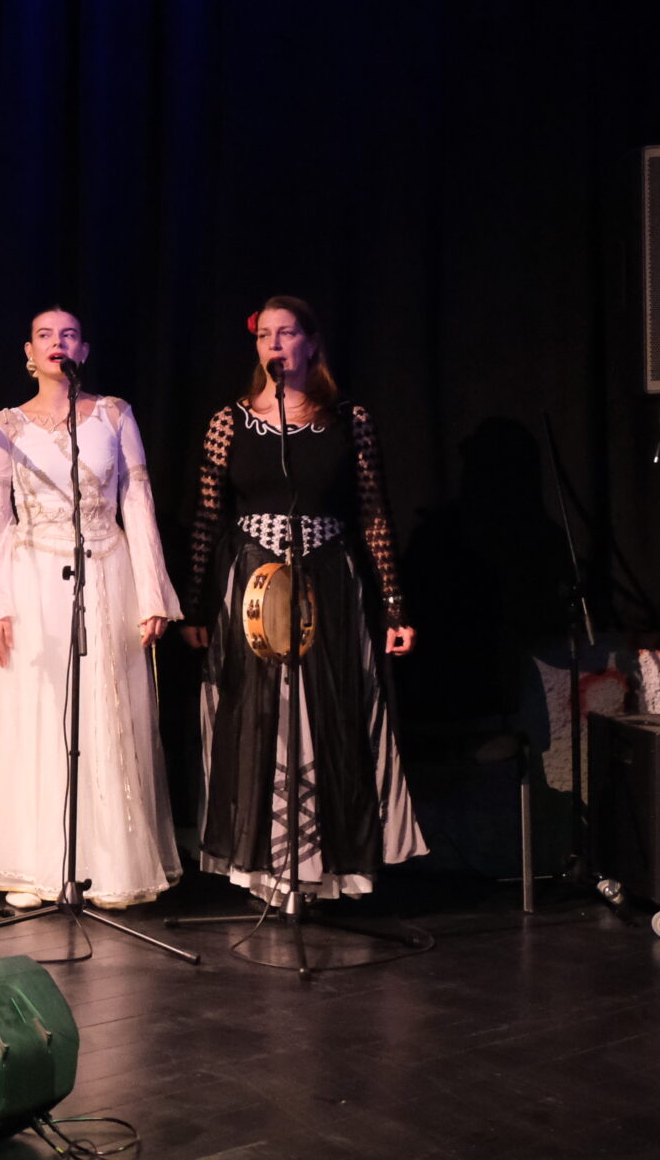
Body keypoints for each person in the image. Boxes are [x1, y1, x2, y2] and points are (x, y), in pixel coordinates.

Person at [181, 297, 425, 901]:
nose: (274, 343)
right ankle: (266, 872)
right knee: (257, 716)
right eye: (264, 334)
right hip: (252, 585)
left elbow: (374, 514)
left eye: (286, 333)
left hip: (328, 584)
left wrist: (395, 606)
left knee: (330, 714)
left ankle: (328, 870)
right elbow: (207, 518)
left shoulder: (348, 418)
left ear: (310, 344)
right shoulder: (229, 422)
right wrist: (196, 605)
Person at [0, 310, 184, 908]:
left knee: (101, 712)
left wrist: (153, 591)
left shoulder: (114, 414)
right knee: (37, 711)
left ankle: (104, 865)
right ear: (28, 352)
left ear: (83, 349)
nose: (57, 343)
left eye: (69, 335)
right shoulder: (4, 425)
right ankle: (34, 863)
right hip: (32, 577)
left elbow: (137, 501)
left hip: (106, 571)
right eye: (45, 335)